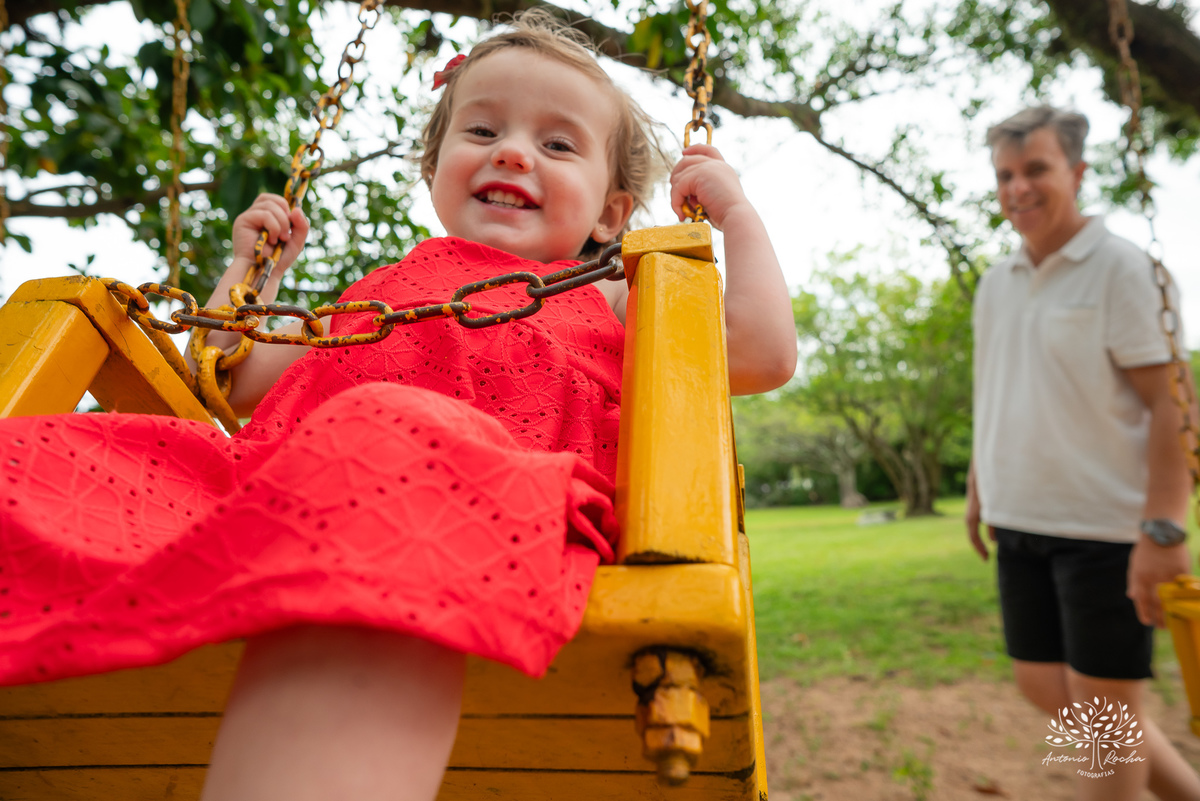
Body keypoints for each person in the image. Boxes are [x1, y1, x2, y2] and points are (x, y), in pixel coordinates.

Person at [0, 11, 797, 801]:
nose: (514, 151)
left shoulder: (614, 294)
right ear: (435, 167)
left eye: (558, 144)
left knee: (391, 430)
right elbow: (232, 378)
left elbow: (760, 350)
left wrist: (733, 216)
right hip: (276, 495)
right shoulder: (382, 291)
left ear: (610, 215)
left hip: (487, 505)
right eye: (483, 130)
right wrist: (254, 272)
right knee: (33, 462)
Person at [966, 105, 1200, 800]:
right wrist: (982, 486)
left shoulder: (1125, 271)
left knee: (1105, 718)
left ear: (1077, 171)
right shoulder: (995, 280)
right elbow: (997, 390)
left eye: (1036, 169)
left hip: (1105, 531)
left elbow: (1174, 406)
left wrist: (1164, 529)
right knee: (1046, 684)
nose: (1018, 188)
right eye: (1005, 175)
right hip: (1021, 521)